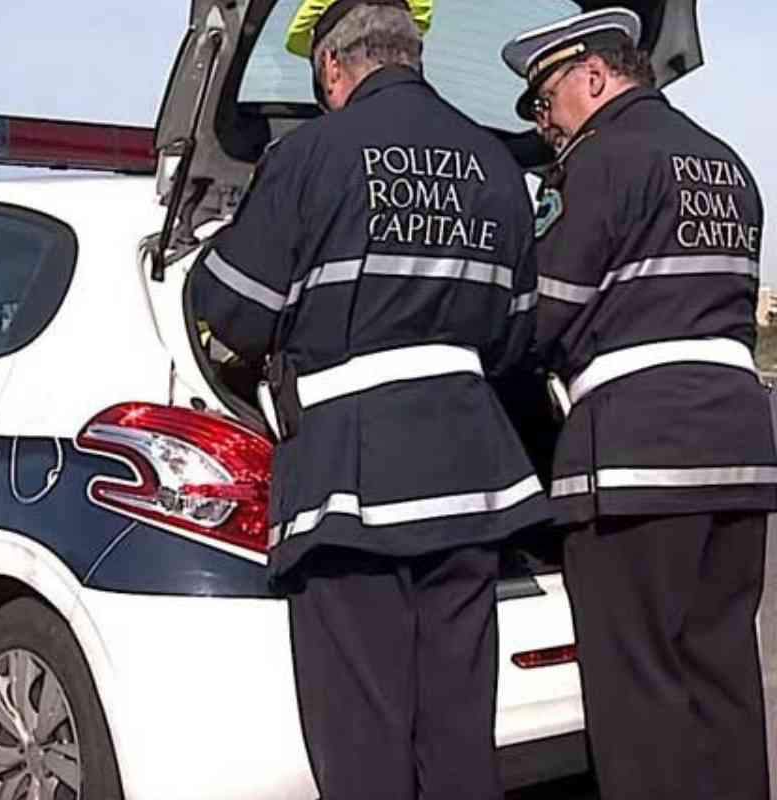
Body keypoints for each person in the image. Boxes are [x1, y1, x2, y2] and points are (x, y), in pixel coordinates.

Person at [188, 1, 548, 797]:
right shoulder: (498, 168)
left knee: (362, 740)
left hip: (351, 480)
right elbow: (516, 338)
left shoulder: (312, 154)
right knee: (458, 733)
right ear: (413, 55)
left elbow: (229, 309)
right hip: (470, 476)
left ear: (332, 68)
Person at [502, 9, 774, 799]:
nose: (544, 122)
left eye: (546, 100)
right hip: (737, 449)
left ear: (594, 76)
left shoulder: (599, 162)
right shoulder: (726, 163)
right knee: (722, 677)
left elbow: (544, 311)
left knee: (636, 691)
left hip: (635, 455)